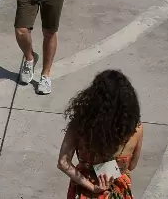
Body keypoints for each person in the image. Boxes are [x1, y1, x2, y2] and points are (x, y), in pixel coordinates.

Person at [57, 69, 143, 198]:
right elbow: (132, 165)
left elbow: (63, 163)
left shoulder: (79, 125)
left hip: (84, 190)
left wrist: (93, 187)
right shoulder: (136, 130)